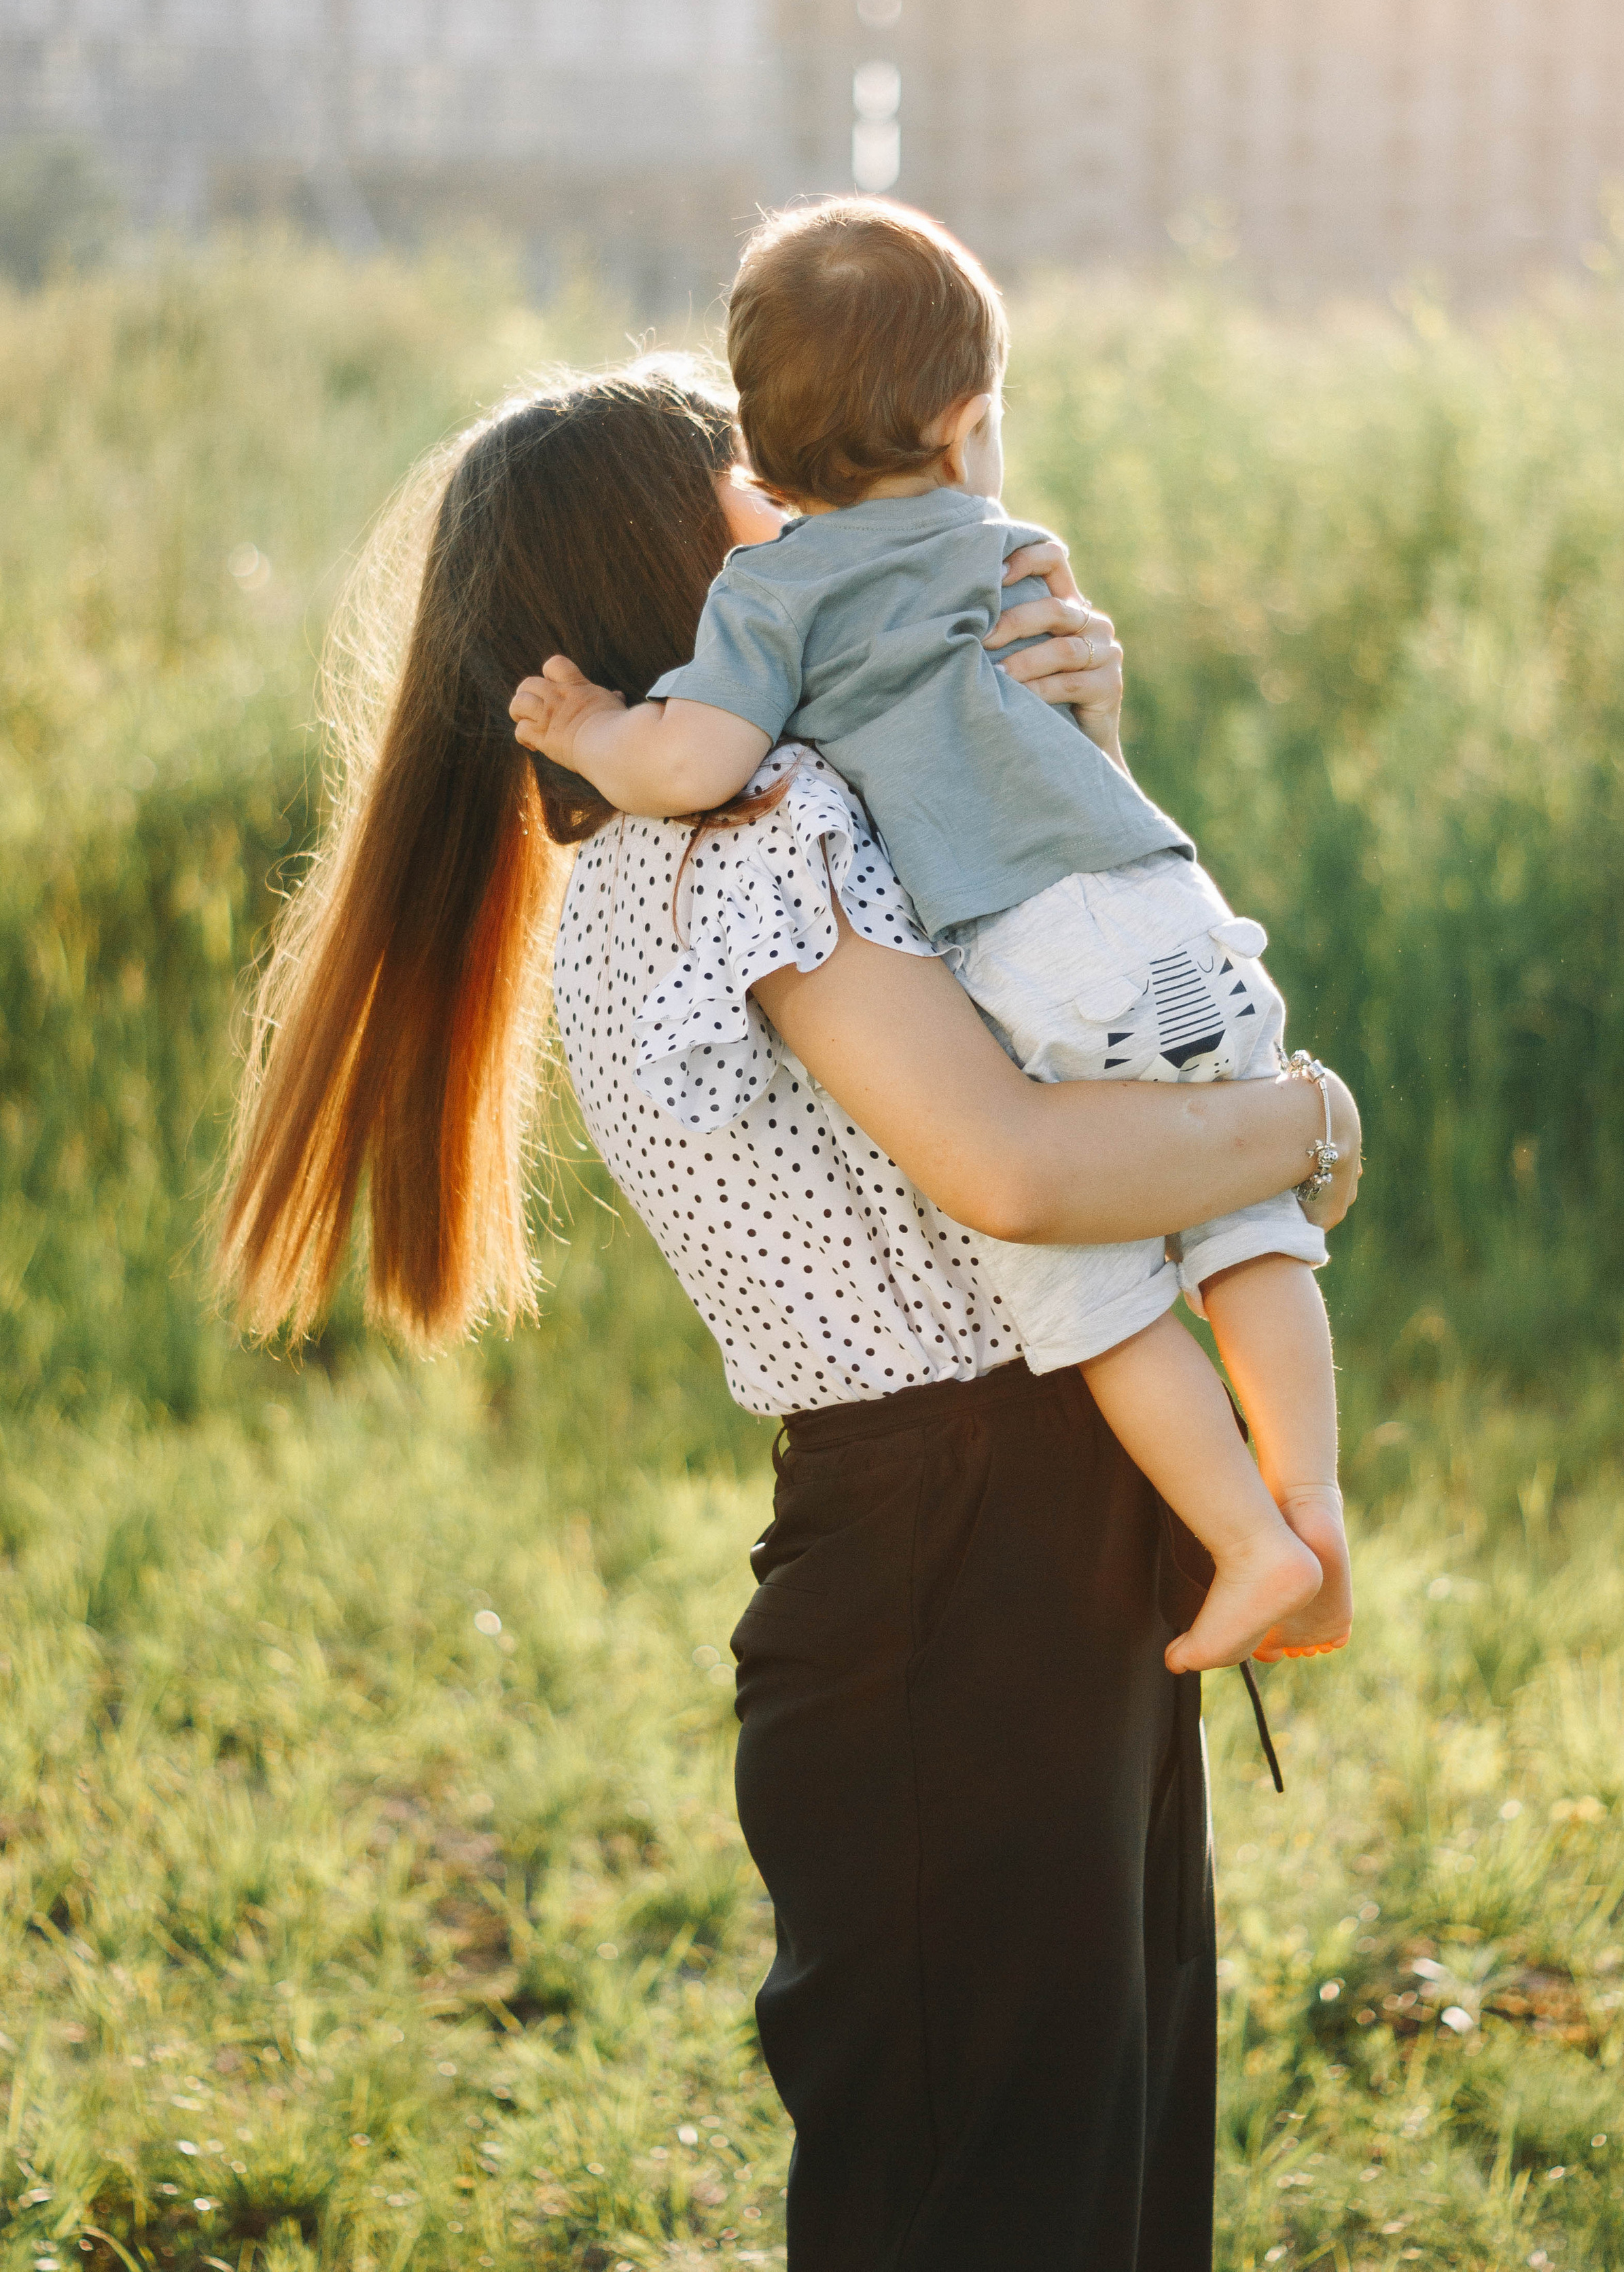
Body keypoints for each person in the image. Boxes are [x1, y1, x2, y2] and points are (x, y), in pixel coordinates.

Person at [219, 357, 1362, 2272]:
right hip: (957, 1566)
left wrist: (1074, 740)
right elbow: (1016, 1162)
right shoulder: (737, 837)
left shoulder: (756, 817)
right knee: (997, 2202)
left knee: (1089, 2175)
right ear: (714, 575)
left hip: (1018, 1543)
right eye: (780, 504)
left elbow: (1065, 992)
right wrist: (1309, 1126)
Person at [509, 198, 1350, 1675]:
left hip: (1037, 958)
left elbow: (696, 762)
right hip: (1174, 906)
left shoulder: (770, 599)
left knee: (1093, 1289)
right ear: (967, 430)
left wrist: (592, 730)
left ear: (754, 476)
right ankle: (1315, 1511)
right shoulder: (1019, 550)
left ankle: (1248, 1541)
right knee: (1240, 1228)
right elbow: (1027, 754)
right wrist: (1306, 1125)